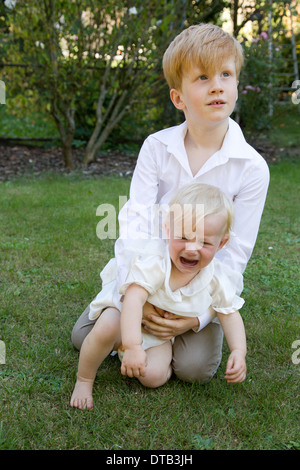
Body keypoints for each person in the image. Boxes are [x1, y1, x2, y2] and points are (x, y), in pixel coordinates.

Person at [71, 23, 269, 383]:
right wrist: (141, 293)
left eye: (226, 74)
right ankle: (135, 330)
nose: (217, 86)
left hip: (199, 284)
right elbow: (136, 222)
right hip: (151, 272)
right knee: (84, 339)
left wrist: (198, 317)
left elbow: (235, 252)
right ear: (179, 98)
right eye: (203, 77)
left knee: (195, 370)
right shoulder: (157, 147)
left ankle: (174, 337)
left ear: (237, 84)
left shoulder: (252, 167)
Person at [70, 183, 247, 409]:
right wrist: (133, 344)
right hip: (128, 317)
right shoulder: (156, 262)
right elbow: (133, 299)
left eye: (204, 242)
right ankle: (85, 380)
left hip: (158, 334)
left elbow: (230, 314)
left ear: (221, 243)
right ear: (167, 231)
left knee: (152, 377)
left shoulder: (217, 278)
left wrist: (239, 351)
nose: (192, 249)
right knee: (107, 325)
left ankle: (148, 358)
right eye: (183, 237)